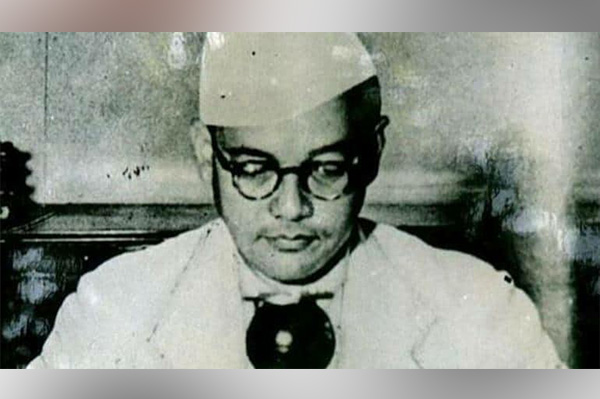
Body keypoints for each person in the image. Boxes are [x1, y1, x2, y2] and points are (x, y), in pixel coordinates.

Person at [28, 33, 564, 369]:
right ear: (205, 154)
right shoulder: (115, 310)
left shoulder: (481, 313)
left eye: (327, 169)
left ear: (373, 152)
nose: (290, 208)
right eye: (253, 169)